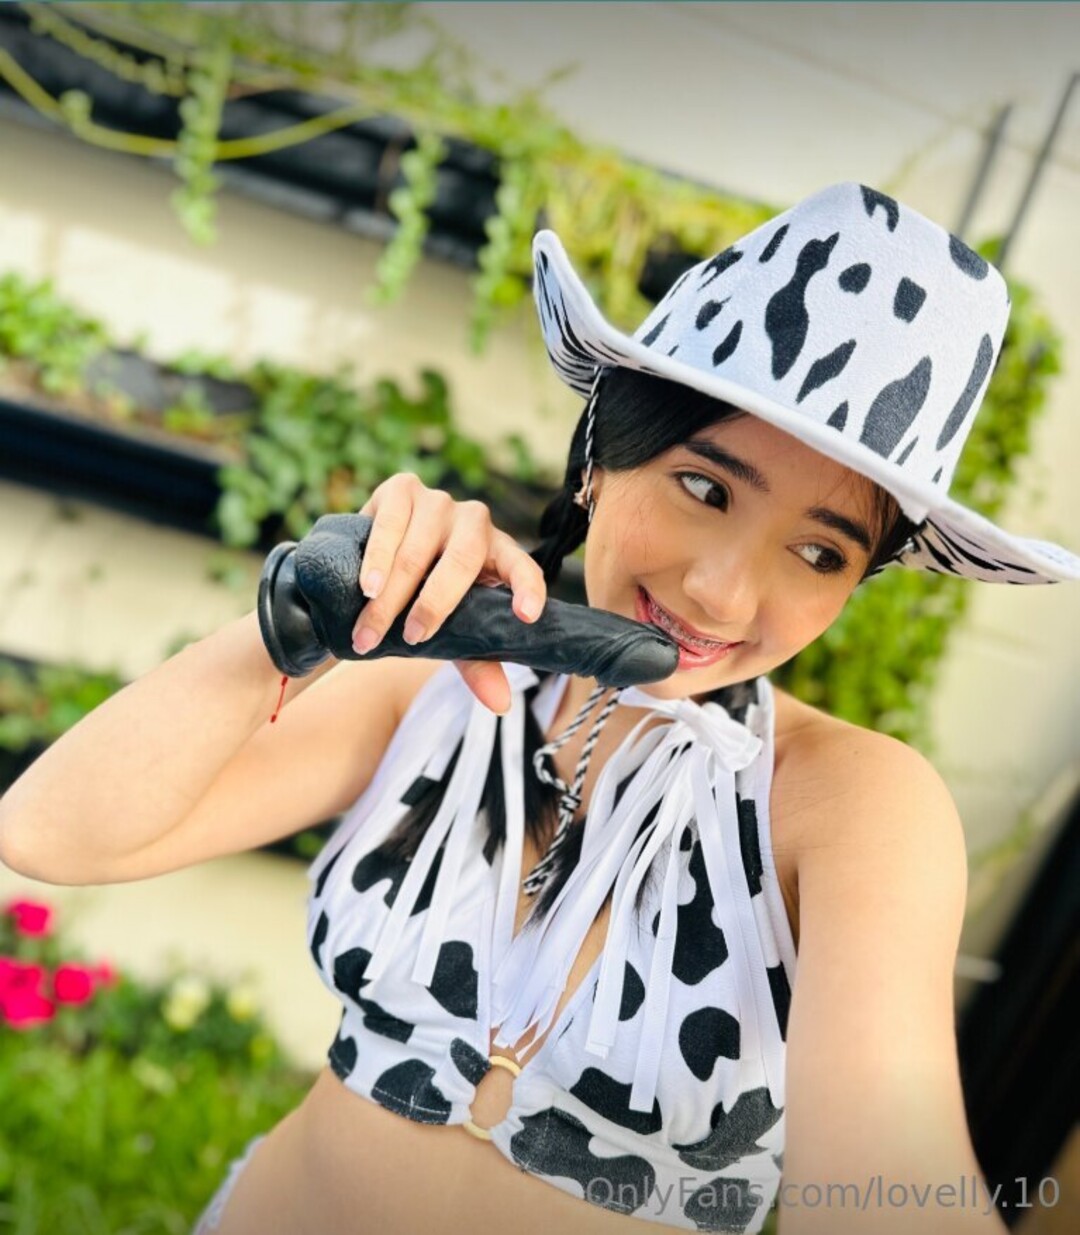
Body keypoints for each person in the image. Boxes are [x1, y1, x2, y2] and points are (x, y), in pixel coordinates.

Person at [0, 182, 1075, 1235]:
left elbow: (888, 1184)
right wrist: (296, 626)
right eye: (705, 487)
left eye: (820, 551)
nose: (722, 594)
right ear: (603, 453)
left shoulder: (854, 806)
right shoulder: (437, 678)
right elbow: (51, 832)